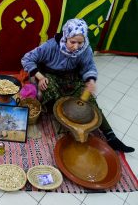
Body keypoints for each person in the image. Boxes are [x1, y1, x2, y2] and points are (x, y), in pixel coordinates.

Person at [21, 18, 135, 153]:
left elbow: (89, 67)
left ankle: (111, 136)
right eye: (72, 42)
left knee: (90, 100)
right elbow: (27, 58)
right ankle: (66, 124)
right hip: (51, 76)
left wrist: (91, 80)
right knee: (52, 93)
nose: (76, 47)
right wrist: (40, 77)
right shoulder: (51, 46)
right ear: (66, 37)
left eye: (79, 42)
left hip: (72, 77)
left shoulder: (85, 49)